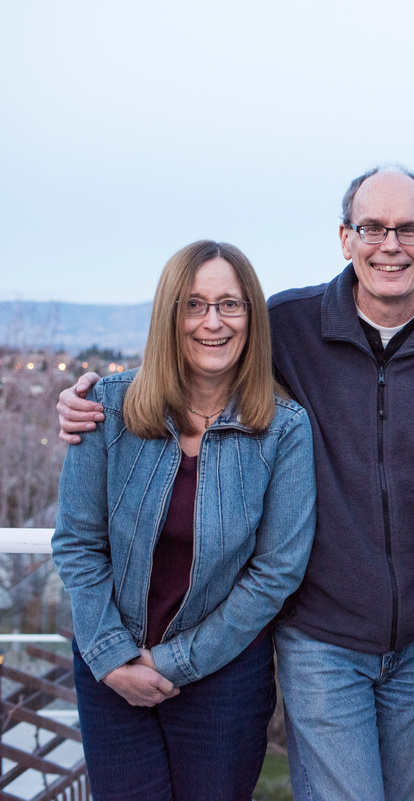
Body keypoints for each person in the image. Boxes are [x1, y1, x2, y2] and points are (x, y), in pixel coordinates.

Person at [57, 166, 414, 800]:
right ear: (345, 237)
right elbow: (188, 360)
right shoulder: (289, 324)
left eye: (408, 229)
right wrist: (85, 399)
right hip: (322, 636)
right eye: (372, 227)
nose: (389, 245)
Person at [53, 240, 316, 800]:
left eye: (230, 304)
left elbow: (277, 571)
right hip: (111, 671)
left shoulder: (283, 428)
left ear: (252, 316)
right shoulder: (107, 407)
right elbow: (77, 543)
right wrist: (113, 658)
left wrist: (172, 660)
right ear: (168, 316)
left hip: (225, 676)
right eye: (194, 305)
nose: (212, 322)